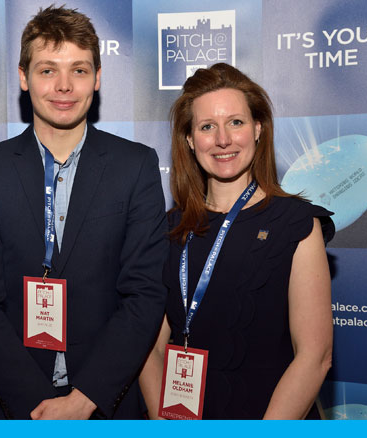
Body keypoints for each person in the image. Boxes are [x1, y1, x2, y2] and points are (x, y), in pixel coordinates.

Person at [0, 5, 167, 419]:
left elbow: (143, 295)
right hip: (10, 406)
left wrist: (82, 401)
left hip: (105, 403)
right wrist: (38, 405)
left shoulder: (136, 165)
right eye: (48, 70)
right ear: (23, 77)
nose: (64, 86)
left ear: (98, 77)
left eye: (80, 70)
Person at [139, 63, 333, 420]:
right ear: (189, 139)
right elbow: (149, 347)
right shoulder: (169, 229)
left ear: (258, 129)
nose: (223, 139)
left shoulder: (297, 224)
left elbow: (315, 356)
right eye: (207, 126)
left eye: (236, 122)